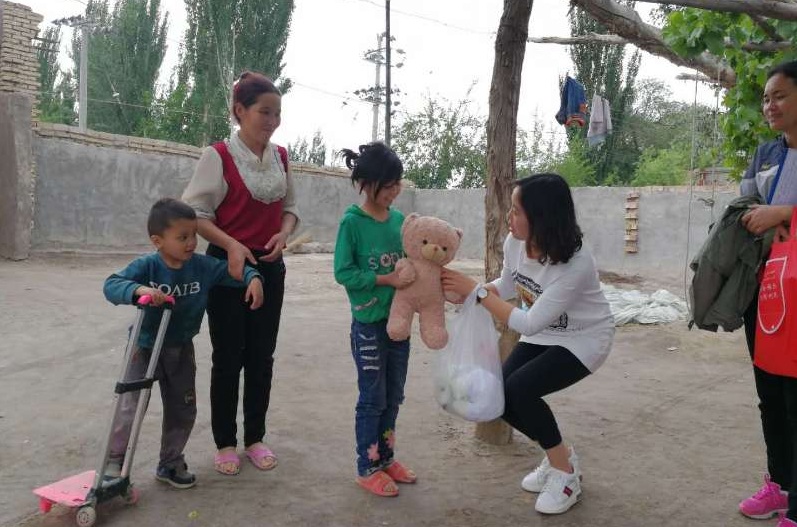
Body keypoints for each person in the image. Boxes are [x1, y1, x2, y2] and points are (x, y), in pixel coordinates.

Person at [441, 173, 614, 515]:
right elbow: (509, 284)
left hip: (584, 339)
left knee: (520, 390)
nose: (509, 217)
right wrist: (474, 293)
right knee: (500, 397)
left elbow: (528, 321)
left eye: (517, 211)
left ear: (542, 217)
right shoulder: (515, 242)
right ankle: (561, 457)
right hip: (544, 332)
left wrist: (476, 292)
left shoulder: (576, 263)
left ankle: (565, 476)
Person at [181, 71, 299, 476]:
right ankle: (226, 443)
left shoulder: (282, 157)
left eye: (277, 113)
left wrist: (284, 233)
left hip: (270, 265)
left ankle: (255, 438)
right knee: (228, 357)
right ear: (239, 111)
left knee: (262, 356)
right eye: (264, 112)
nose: (272, 121)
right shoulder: (217, 156)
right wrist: (232, 245)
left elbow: (289, 209)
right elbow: (196, 214)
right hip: (226, 267)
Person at [103, 198, 263, 488]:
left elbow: (232, 270)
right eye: (182, 237)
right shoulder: (147, 266)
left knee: (182, 408)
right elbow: (112, 284)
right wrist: (139, 289)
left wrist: (253, 278)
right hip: (145, 346)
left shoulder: (201, 267)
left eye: (193, 236)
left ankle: (170, 462)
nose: (191, 243)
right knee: (130, 405)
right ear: (158, 241)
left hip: (180, 349)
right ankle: (115, 461)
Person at [333, 142, 417, 497]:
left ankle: (385, 457)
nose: (394, 191)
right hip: (368, 325)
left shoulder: (399, 222)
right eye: (388, 185)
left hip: (399, 325)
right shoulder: (352, 223)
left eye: (398, 184)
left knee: (394, 395)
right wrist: (386, 279)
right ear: (366, 183)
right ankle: (367, 466)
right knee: (373, 397)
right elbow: (343, 272)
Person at [737, 60, 797, 527]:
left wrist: (784, 213)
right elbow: (743, 208)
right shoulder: (765, 154)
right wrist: (758, 215)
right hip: (767, 289)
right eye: (765, 98)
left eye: (779, 96)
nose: (769, 105)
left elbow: (774, 214)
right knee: (770, 396)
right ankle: (780, 485)